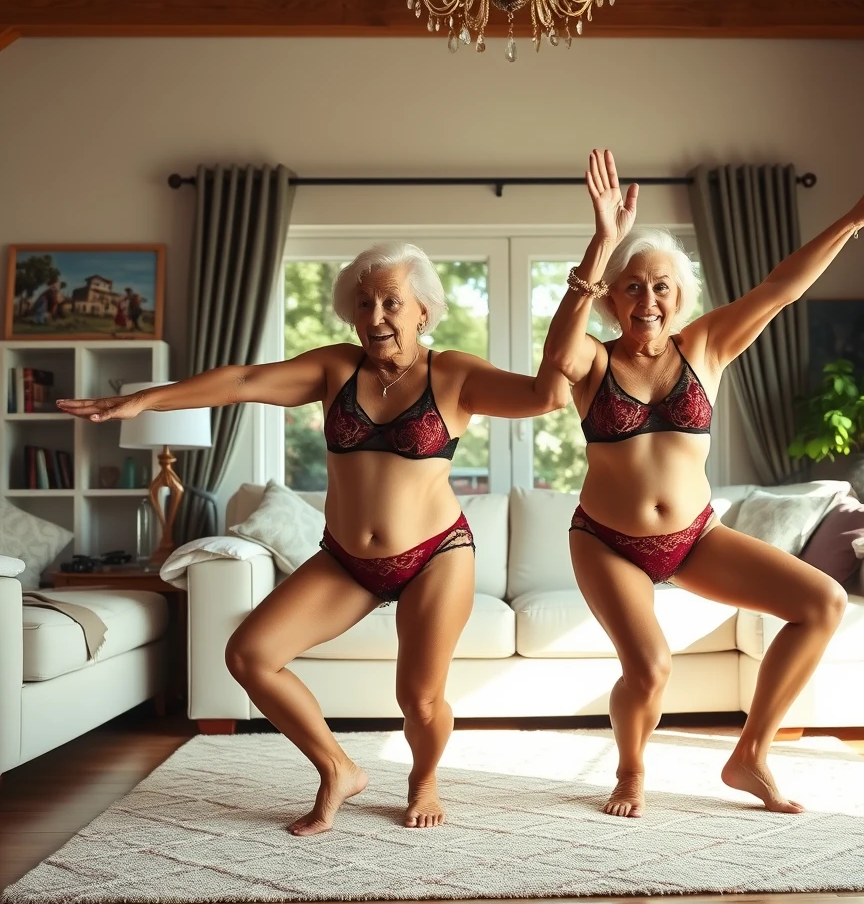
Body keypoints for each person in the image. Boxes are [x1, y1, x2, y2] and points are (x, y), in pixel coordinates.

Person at [57, 243, 570, 834]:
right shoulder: (336, 368)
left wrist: (587, 270)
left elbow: (546, 396)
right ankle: (338, 768)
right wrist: (145, 400)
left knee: (420, 701)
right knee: (250, 655)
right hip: (348, 559)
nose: (376, 315)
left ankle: (424, 776)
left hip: (436, 555)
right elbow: (245, 380)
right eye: (364, 303)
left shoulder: (453, 374)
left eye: (391, 302)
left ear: (424, 311)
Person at [543, 149, 864, 818]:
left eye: (661, 286)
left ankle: (751, 755)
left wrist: (852, 221)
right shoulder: (592, 360)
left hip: (694, 536)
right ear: (612, 298)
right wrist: (603, 243)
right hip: (607, 543)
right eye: (632, 286)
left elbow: (782, 287)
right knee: (651, 666)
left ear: (680, 299)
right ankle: (631, 771)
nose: (648, 298)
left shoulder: (706, 345)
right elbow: (556, 354)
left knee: (823, 603)